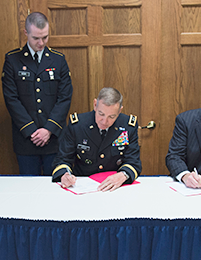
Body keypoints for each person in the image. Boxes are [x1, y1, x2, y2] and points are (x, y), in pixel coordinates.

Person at [2, 12, 73, 176]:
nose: (41, 43)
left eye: (45, 37)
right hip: (26, 139)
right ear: (26, 33)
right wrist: (32, 130)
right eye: (36, 38)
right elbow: (11, 99)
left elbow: (65, 97)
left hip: (53, 139)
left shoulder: (58, 60)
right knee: (29, 190)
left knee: (55, 189)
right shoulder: (13, 60)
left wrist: (48, 129)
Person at [52, 87, 141, 192]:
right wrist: (65, 175)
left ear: (120, 111)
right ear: (95, 105)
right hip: (82, 186)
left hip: (115, 188)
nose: (104, 121)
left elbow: (133, 161)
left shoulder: (127, 126)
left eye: (111, 117)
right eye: (101, 114)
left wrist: (122, 175)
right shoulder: (78, 125)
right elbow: (62, 159)